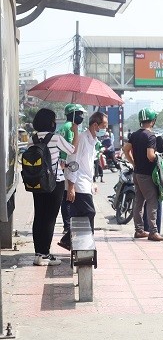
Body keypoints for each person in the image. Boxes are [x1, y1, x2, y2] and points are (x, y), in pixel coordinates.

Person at [30, 108, 78, 265]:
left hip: (37, 181)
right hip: (54, 182)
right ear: (50, 122)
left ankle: (38, 253)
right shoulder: (56, 139)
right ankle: (45, 254)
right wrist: (75, 131)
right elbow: (73, 150)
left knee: (39, 216)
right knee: (50, 218)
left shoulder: (33, 138)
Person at [58, 111, 109, 251]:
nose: (105, 129)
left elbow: (88, 165)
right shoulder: (81, 139)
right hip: (78, 183)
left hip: (85, 183)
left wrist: (92, 182)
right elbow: (73, 162)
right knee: (89, 212)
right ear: (95, 125)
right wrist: (71, 187)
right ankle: (80, 244)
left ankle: (74, 243)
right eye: (104, 126)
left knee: (81, 215)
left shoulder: (93, 141)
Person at [122, 108, 163, 242]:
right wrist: (158, 157)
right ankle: (153, 232)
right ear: (152, 121)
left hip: (137, 173)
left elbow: (125, 150)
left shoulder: (135, 134)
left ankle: (139, 230)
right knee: (152, 202)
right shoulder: (150, 136)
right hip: (147, 175)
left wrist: (134, 163)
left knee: (139, 202)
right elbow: (150, 155)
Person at [58, 103, 86, 235]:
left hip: (63, 164)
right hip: (68, 164)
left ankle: (67, 224)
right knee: (68, 196)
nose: (81, 116)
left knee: (66, 196)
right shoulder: (71, 127)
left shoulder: (64, 126)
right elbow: (71, 148)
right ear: (73, 114)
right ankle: (67, 225)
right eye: (79, 114)